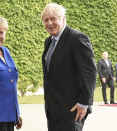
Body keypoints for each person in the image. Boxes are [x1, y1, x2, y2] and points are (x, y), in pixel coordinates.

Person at [41, 3, 97, 131]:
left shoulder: (77, 39)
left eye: (53, 18)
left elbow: (89, 73)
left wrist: (84, 103)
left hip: (73, 108)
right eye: (46, 20)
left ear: (63, 19)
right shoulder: (49, 41)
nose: (49, 23)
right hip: (53, 108)